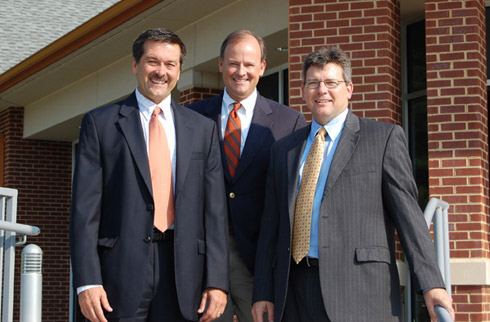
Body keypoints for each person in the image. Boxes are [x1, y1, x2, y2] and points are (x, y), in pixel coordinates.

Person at [251, 47, 455, 322]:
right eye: (313, 83)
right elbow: (270, 228)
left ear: (349, 89)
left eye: (331, 83)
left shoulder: (382, 139)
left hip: (359, 292)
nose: (321, 90)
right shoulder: (284, 150)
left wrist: (432, 283)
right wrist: (263, 291)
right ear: (303, 91)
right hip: (294, 292)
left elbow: (410, 218)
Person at [70, 28, 229, 322]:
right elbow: (84, 212)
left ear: (180, 71)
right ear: (135, 65)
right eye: (152, 62)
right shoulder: (100, 124)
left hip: (184, 276)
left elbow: (215, 211)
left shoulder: (203, 130)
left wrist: (217, 280)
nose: (161, 71)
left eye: (170, 64)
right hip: (117, 276)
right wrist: (88, 281)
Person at [187, 30, 306, 322]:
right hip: (203, 261)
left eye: (249, 64)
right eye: (233, 63)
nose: (241, 72)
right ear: (220, 64)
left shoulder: (289, 122)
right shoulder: (191, 118)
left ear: (262, 67)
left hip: (259, 262)